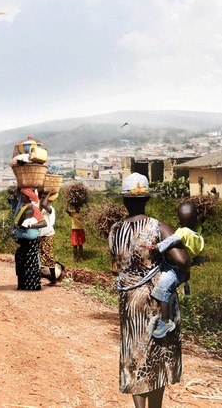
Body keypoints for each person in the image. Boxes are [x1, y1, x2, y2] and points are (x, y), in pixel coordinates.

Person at [109, 173, 186, 407]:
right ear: (147, 200)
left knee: (135, 356)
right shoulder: (159, 227)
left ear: (124, 201)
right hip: (155, 300)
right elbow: (181, 260)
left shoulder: (114, 230)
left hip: (129, 299)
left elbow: (116, 267)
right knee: (158, 356)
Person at [148, 201, 205, 339]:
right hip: (184, 271)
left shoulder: (182, 232)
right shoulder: (199, 237)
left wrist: (158, 247)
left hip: (174, 269)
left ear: (178, 220)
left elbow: (172, 240)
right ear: (196, 220)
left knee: (162, 290)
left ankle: (165, 321)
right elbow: (199, 258)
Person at [13, 188, 47, 291]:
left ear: (28, 197)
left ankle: (31, 285)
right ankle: (22, 284)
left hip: (30, 240)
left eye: (23, 195)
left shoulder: (33, 208)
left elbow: (43, 223)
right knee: (20, 260)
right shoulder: (23, 207)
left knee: (30, 262)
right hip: (23, 240)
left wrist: (30, 225)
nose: (21, 197)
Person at [38, 191, 58, 285]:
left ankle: (53, 279)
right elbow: (41, 204)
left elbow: (43, 203)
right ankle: (41, 277)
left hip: (48, 234)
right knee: (41, 256)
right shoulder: (43, 210)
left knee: (48, 256)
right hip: (42, 234)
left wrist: (48, 193)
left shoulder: (51, 209)